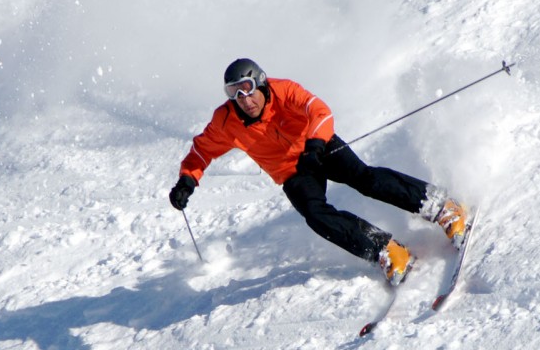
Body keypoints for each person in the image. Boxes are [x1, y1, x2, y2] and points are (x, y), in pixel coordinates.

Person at [168, 58, 469, 285]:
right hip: (291, 172)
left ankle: (442, 207)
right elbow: (201, 151)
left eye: (247, 89)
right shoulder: (225, 120)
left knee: (364, 178)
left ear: (260, 83)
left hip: (319, 146)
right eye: (234, 92)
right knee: (316, 214)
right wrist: (187, 180)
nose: (244, 100)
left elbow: (320, 111)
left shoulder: (284, 90)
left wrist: (314, 146)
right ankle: (386, 249)